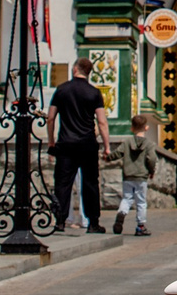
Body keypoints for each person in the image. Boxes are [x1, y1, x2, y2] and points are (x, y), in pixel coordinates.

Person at [46, 58, 108, 235]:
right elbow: (102, 122)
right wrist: (107, 145)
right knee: (90, 183)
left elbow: (50, 118)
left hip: (66, 143)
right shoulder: (94, 93)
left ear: (75, 69)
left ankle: (59, 221)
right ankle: (93, 222)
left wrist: (51, 141)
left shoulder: (61, 90)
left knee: (63, 183)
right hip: (87, 143)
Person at [116, 114, 160, 236]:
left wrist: (107, 157)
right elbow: (151, 159)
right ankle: (140, 226)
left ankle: (122, 212)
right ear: (146, 128)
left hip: (128, 176)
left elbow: (118, 153)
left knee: (127, 198)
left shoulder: (127, 142)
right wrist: (151, 171)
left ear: (132, 128)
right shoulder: (149, 144)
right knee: (141, 201)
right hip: (141, 177)